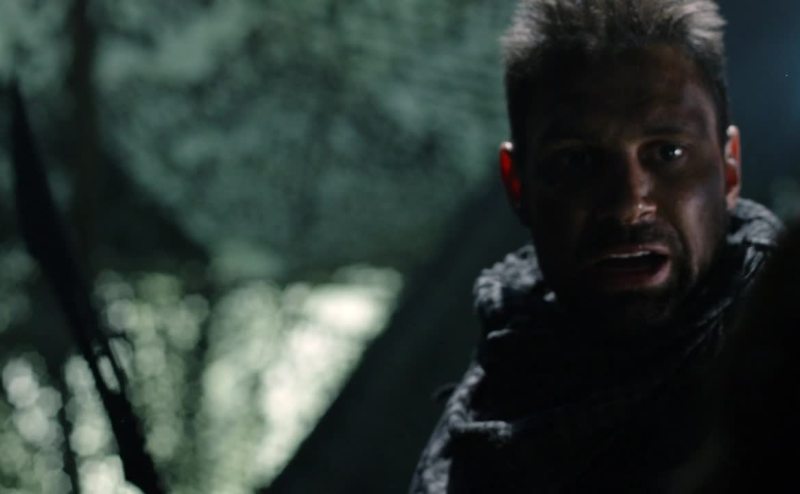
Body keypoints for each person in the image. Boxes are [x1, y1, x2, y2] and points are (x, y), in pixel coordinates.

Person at [410, 0, 782, 492]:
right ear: (518, 184)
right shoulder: (495, 393)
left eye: (667, 152)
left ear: (729, 168)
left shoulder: (780, 370)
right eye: (577, 161)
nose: (628, 206)